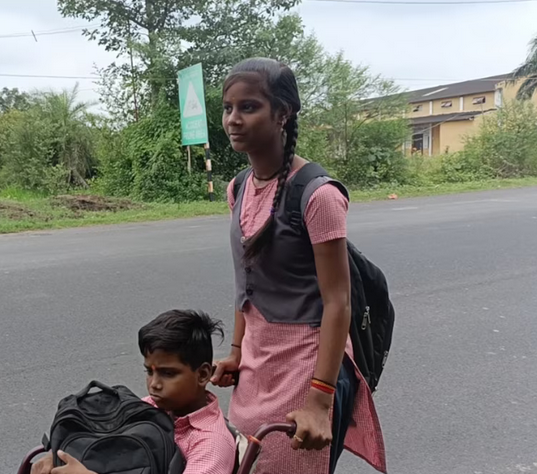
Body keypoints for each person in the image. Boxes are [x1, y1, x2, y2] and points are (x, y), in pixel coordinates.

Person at [210, 58, 387, 474]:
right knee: (248, 461)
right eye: (227, 107)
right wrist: (236, 352)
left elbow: (338, 302)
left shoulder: (318, 195)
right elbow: (247, 283)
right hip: (257, 363)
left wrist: (319, 401)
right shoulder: (238, 187)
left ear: (283, 113)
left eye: (248, 107)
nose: (233, 119)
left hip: (306, 366)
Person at [32, 309, 237, 474]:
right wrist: (59, 454)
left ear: (202, 375)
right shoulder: (151, 406)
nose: (154, 384)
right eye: (149, 371)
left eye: (168, 373)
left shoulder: (211, 444)